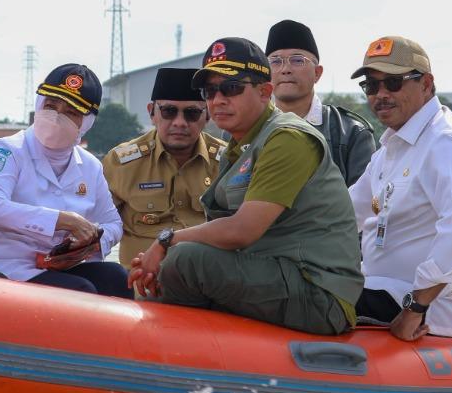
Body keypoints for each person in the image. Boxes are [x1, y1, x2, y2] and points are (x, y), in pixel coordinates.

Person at [129, 37, 363, 335]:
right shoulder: (239, 146)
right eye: (210, 91)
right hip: (275, 273)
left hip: (316, 290)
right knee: (164, 269)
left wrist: (165, 241)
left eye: (231, 88)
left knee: (186, 260)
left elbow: (242, 230)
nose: (218, 100)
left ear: (265, 92)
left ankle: (171, 355)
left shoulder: (287, 139)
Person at [348, 36, 452, 341]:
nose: (380, 95)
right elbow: (347, 212)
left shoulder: (445, 142)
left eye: (393, 83)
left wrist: (415, 308)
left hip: (430, 309)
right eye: (371, 86)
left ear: (426, 84)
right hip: (385, 288)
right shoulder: (393, 146)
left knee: (305, 304)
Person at [0, 64, 131, 297]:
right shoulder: (8, 149)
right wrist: (64, 221)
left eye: (71, 112)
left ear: (86, 123)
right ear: (38, 105)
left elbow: (113, 224)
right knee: (80, 291)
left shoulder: (90, 166)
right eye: (50, 106)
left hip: (56, 266)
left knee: (117, 278)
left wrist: (88, 242)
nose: (56, 117)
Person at [101, 67, 227, 266]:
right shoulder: (122, 163)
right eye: (169, 111)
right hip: (140, 286)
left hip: (207, 282)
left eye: (192, 113)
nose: (179, 122)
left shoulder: (228, 161)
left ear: (208, 116)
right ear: (152, 113)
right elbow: (100, 226)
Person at [265, 19, 377, 186]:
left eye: (297, 60)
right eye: (275, 61)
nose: (285, 69)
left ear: (317, 73)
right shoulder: (247, 129)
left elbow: (362, 206)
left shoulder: (351, 133)